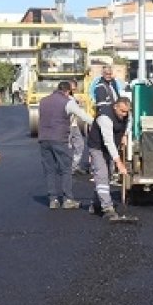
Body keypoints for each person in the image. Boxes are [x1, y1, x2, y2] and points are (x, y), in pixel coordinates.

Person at [38, 80, 93, 209]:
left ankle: (53, 199)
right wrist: (99, 123)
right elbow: (84, 117)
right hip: (59, 139)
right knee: (65, 169)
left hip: (44, 139)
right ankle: (68, 199)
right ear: (68, 91)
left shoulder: (43, 101)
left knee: (49, 170)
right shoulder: (68, 102)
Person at [88, 96, 132, 222]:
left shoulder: (127, 115)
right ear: (115, 107)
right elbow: (108, 142)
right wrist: (119, 163)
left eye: (126, 112)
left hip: (111, 148)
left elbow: (129, 123)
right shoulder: (104, 117)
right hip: (98, 147)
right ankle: (107, 208)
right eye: (122, 111)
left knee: (107, 175)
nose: (124, 115)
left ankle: (96, 204)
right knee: (102, 174)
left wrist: (124, 135)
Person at [67, 80, 91, 176]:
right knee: (67, 147)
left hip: (74, 125)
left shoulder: (72, 98)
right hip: (67, 127)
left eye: (74, 88)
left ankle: (74, 166)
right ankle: (68, 168)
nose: (72, 89)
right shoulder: (66, 99)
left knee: (79, 145)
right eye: (71, 88)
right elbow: (81, 114)